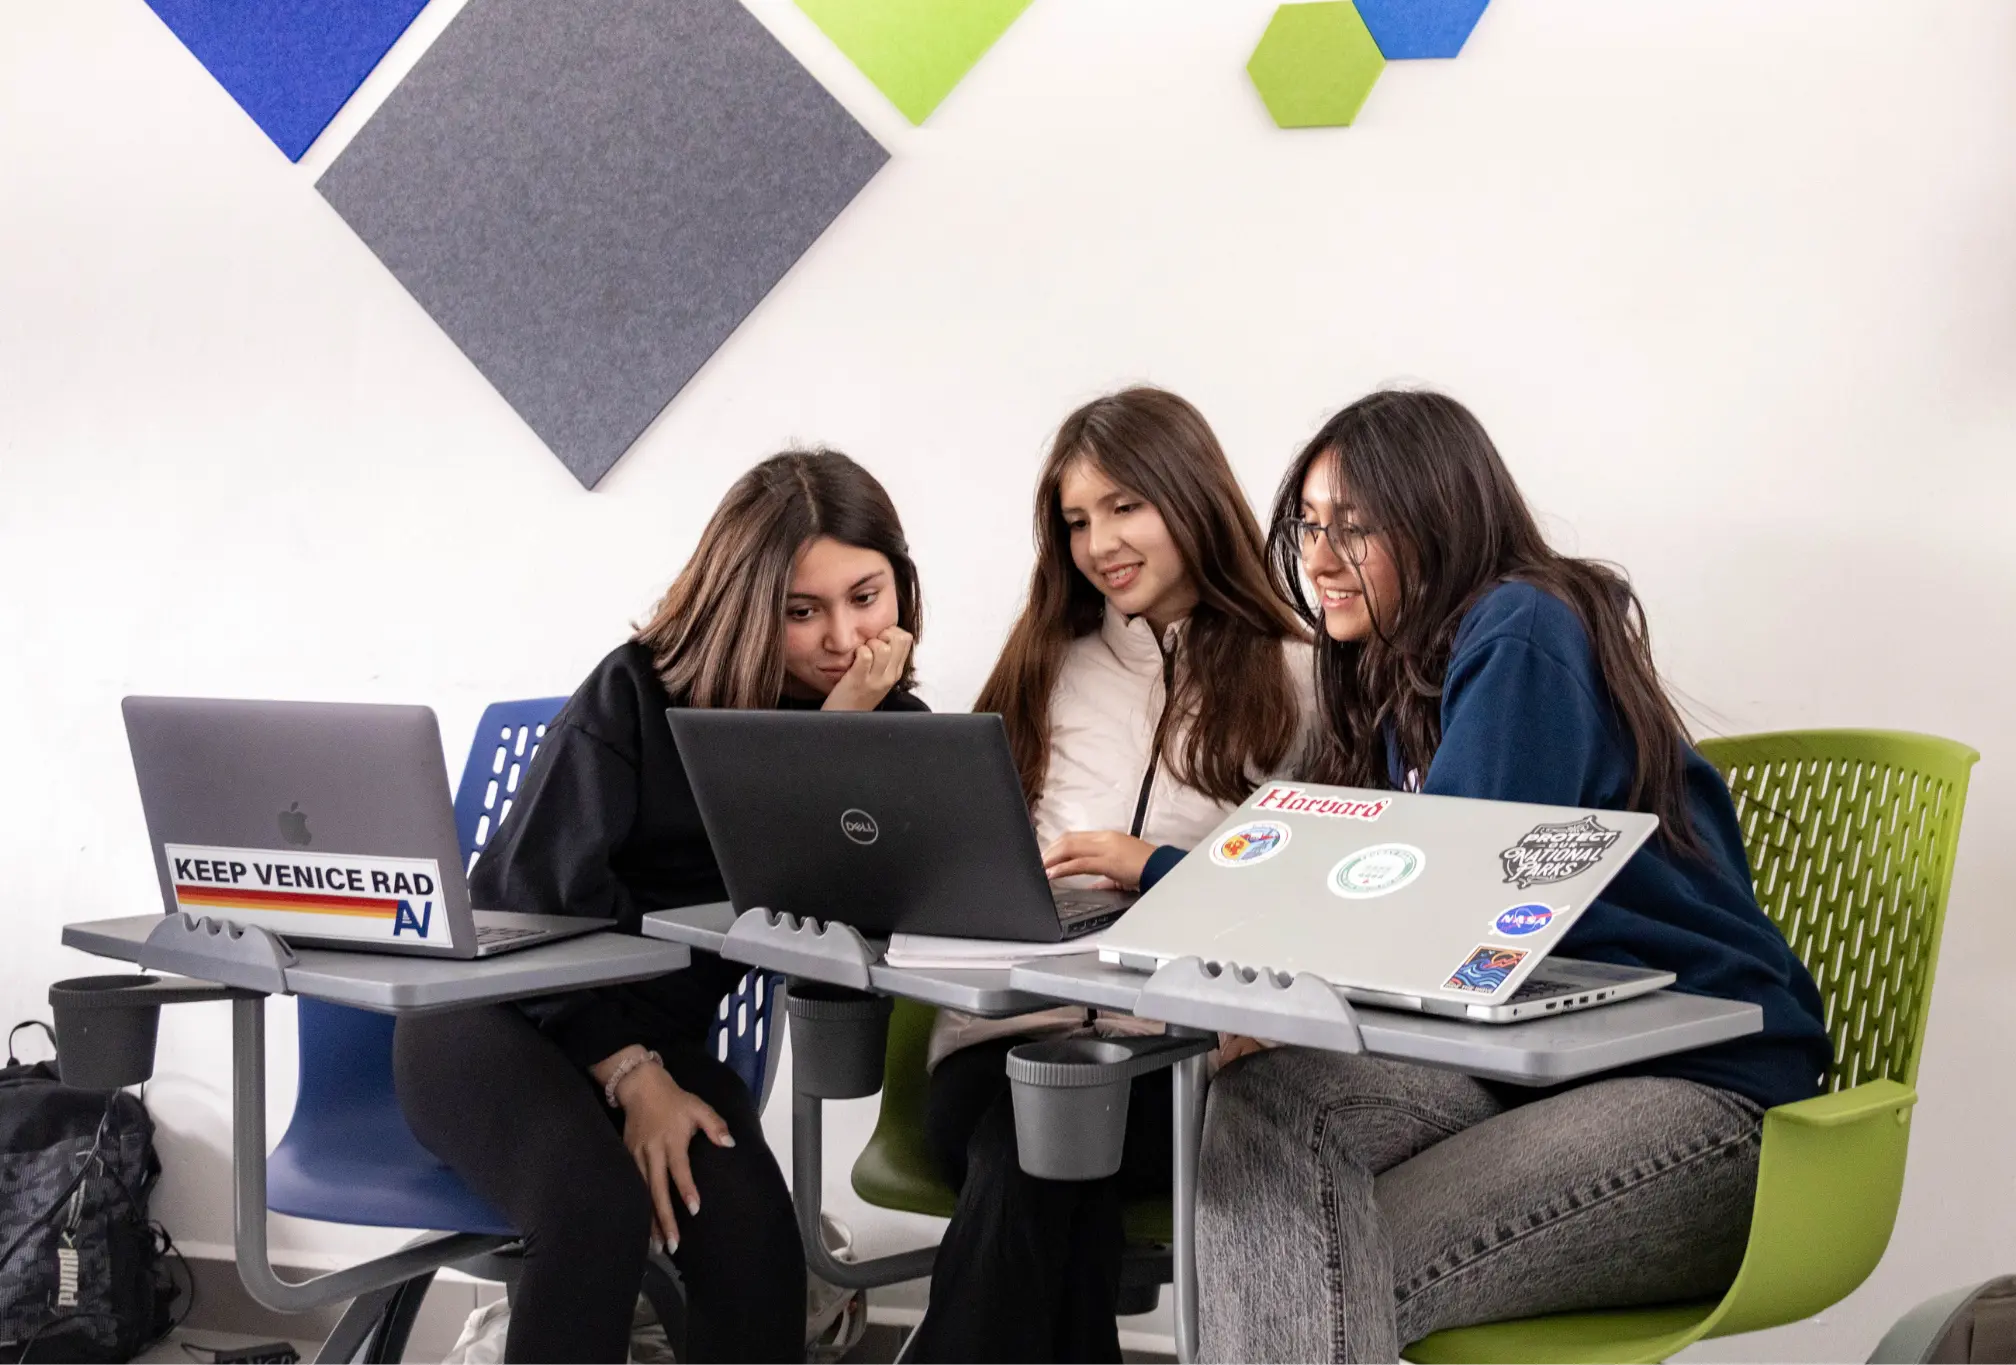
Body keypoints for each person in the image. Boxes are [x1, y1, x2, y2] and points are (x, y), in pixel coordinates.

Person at [1061, 390, 1832, 1362]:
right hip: (1535, 1074)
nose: (1319, 559)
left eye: (1355, 527)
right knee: (1269, 1118)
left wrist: (1172, 871)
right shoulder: (1398, 681)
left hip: (1702, 1096)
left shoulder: (1521, 628)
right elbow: (1362, 885)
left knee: (1305, 1261)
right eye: (1306, 527)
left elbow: (1432, 905)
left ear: (1440, 519)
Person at [393, 451, 929, 1364]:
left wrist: (845, 726)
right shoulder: (636, 692)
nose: (843, 635)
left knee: (752, 1224)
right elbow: (527, 908)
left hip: (666, 1046)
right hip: (494, 1019)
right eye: (802, 611)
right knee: (593, 1202)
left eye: (866, 596)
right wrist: (632, 1075)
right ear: (743, 603)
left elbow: (832, 911)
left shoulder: (892, 725)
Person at [907, 387, 1311, 1363]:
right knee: (1039, 1132)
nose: (1098, 542)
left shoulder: (1298, 675)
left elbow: (1319, 894)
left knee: (1043, 1157)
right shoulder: (1046, 664)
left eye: (1124, 505)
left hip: (1182, 1058)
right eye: (1076, 519)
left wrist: (1155, 871)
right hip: (994, 1040)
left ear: (1189, 495)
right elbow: (954, 857)